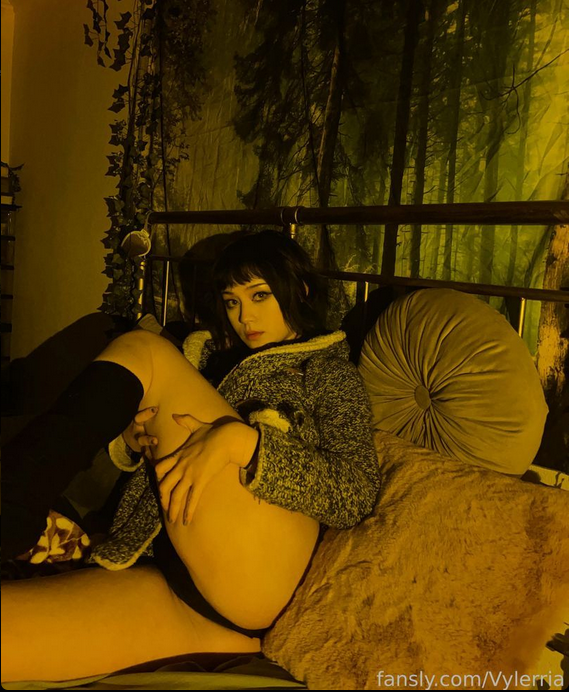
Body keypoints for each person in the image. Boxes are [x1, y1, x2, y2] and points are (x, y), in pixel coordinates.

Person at [1, 229, 381, 683]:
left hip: (257, 569)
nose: (245, 317)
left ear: (300, 290)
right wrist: (134, 439)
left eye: (260, 295)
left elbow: (357, 491)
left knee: (145, 350)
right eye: (232, 302)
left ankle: (10, 511)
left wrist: (243, 443)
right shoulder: (209, 361)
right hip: (180, 591)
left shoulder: (329, 373)